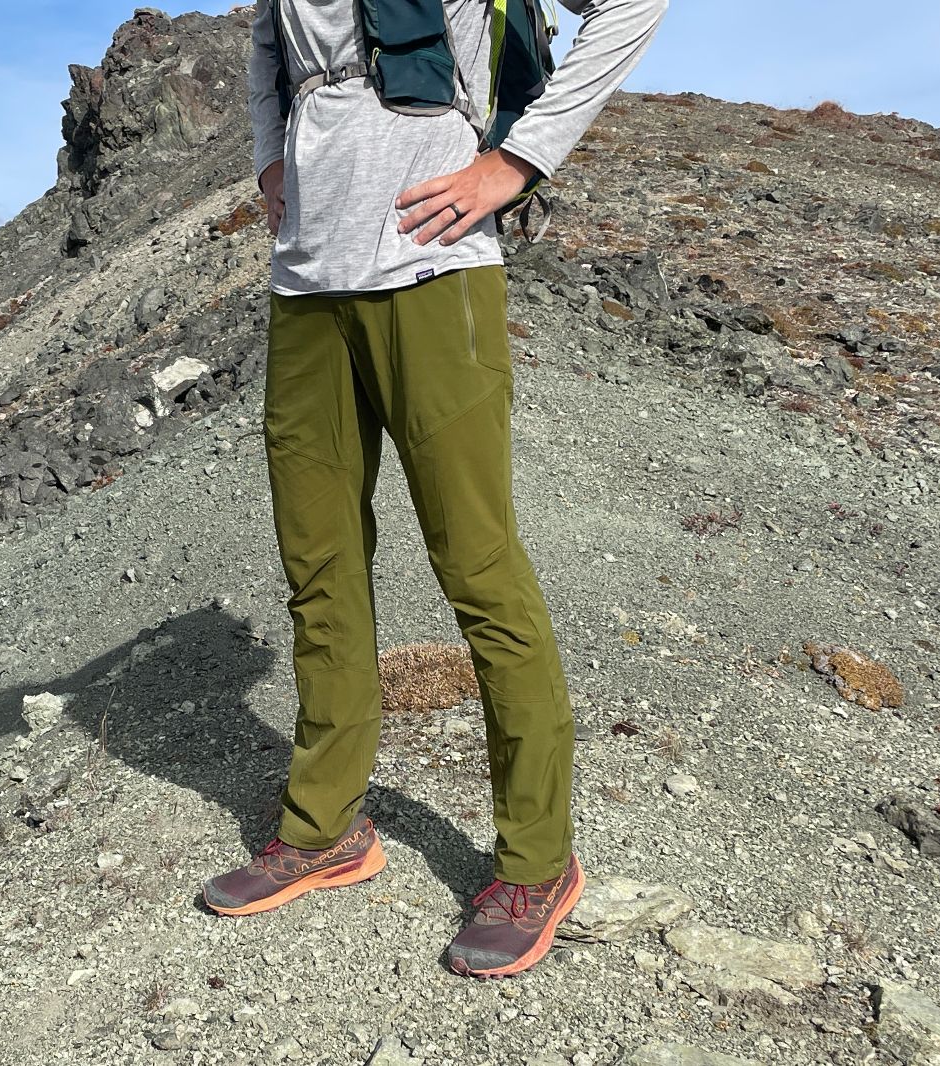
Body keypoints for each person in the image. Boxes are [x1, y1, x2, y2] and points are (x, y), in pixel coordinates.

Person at [203, 0, 669, 979]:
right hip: (306, 281)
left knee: (477, 563)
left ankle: (536, 860)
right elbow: (264, 46)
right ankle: (325, 826)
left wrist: (517, 162)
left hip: (434, 270)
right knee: (318, 561)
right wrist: (268, 159)